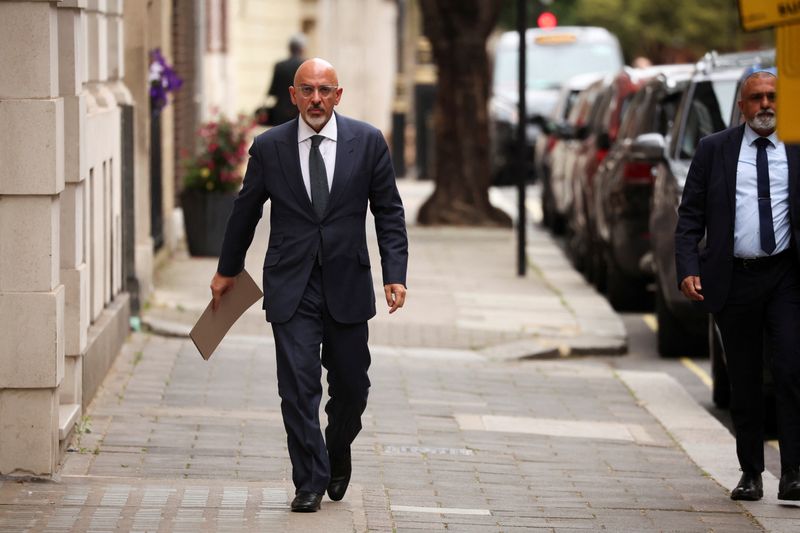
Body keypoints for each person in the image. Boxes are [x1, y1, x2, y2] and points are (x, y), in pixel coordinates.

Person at [210, 58, 408, 513]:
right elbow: (246, 211)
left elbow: (389, 212)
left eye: (324, 90)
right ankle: (310, 480)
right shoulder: (270, 147)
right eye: (306, 90)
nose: (315, 99)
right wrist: (227, 270)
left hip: (348, 282)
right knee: (297, 387)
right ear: (293, 95)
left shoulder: (368, 142)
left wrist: (394, 273)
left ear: (338, 96)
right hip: (291, 284)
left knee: (352, 388)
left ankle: (337, 447)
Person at [675, 71, 800, 502]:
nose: (766, 105)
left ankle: (794, 473)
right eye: (757, 98)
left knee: (790, 370)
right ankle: (751, 473)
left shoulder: (798, 148)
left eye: (773, 97)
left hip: (787, 276)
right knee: (744, 379)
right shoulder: (715, 150)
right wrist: (688, 267)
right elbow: (689, 217)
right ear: (742, 107)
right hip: (735, 280)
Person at [266, 34, 306, 125]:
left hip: (281, 112)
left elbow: (272, 91)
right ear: (302, 49)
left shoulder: (280, 65)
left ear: (290, 48)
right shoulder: (306, 65)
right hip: (299, 110)